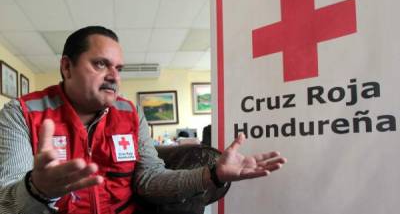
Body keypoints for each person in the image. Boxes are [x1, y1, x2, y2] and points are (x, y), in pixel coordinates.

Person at [0, 26, 287, 214]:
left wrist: (212, 174)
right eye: (100, 64)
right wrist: (37, 189)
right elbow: (6, 202)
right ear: (67, 67)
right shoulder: (21, 113)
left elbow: (149, 179)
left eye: (118, 68)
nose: (114, 76)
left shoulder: (130, 114)